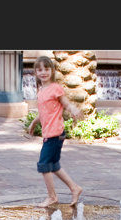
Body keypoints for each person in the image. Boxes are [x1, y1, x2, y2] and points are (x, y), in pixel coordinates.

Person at [27, 55, 84, 208]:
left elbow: (65, 103)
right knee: (53, 165)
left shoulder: (55, 88)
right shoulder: (41, 90)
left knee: (44, 164)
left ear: (52, 71)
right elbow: (43, 111)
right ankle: (74, 188)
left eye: (46, 69)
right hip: (50, 133)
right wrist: (34, 122)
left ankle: (52, 196)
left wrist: (73, 109)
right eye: (40, 70)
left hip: (55, 134)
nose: (43, 72)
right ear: (36, 72)